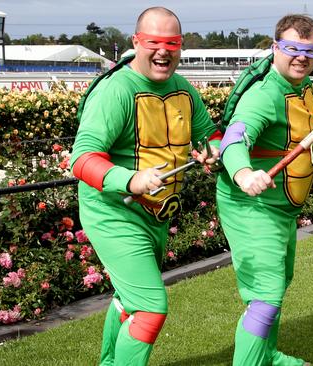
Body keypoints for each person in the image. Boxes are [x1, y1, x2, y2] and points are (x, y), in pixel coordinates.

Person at [71, 7, 221, 365]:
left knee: (128, 300)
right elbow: (81, 158)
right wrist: (131, 179)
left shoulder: (183, 88)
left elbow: (209, 135)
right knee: (151, 309)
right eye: (153, 42)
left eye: (172, 43)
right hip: (114, 214)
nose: (163, 51)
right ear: (136, 42)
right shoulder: (115, 90)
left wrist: (212, 152)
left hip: (155, 216)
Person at [216, 14, 313, 366]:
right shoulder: (264, 94)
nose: (301, 57)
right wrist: (244, 172)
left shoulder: (302, 87)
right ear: (275, 48)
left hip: (283, 209)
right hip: (252, 207)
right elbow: (235, 137)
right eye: (292, 49)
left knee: (278, 284)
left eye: (309, 51)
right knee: (266, 294)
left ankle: (267, 355)